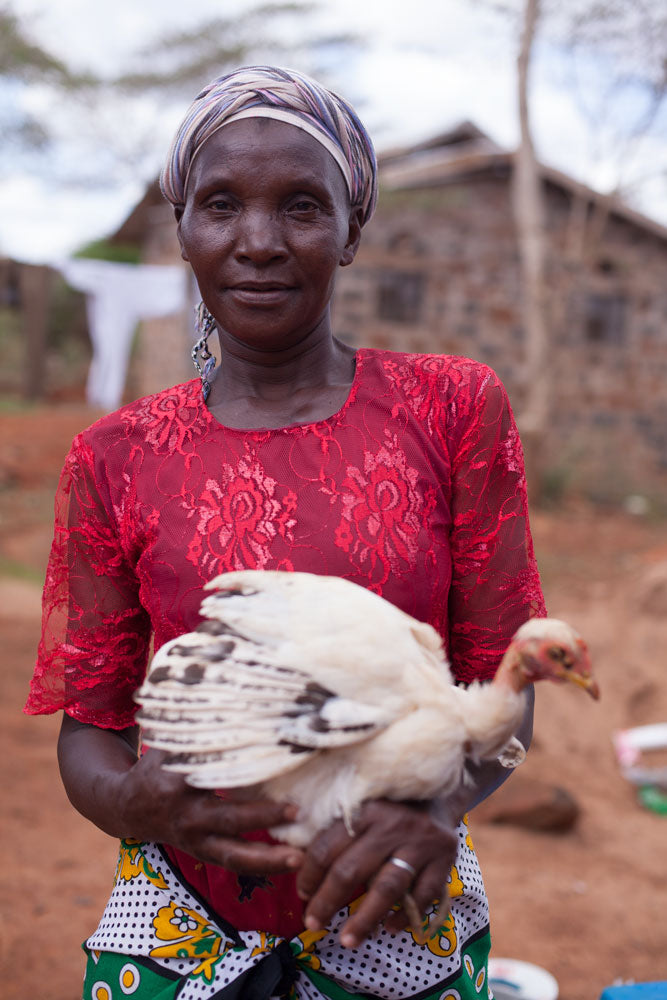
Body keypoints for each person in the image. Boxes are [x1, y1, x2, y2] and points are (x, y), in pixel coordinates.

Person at [26, 65, 546, 1000]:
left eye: (302, 206)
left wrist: (433, 809)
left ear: (351, 231)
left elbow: (502, 687)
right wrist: (137, 805)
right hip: (180, 927)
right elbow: (92, 731)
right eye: (220, 204)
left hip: (396, 901)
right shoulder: (117, 454)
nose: (257, 242)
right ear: (182, 228)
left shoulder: (450, 409)